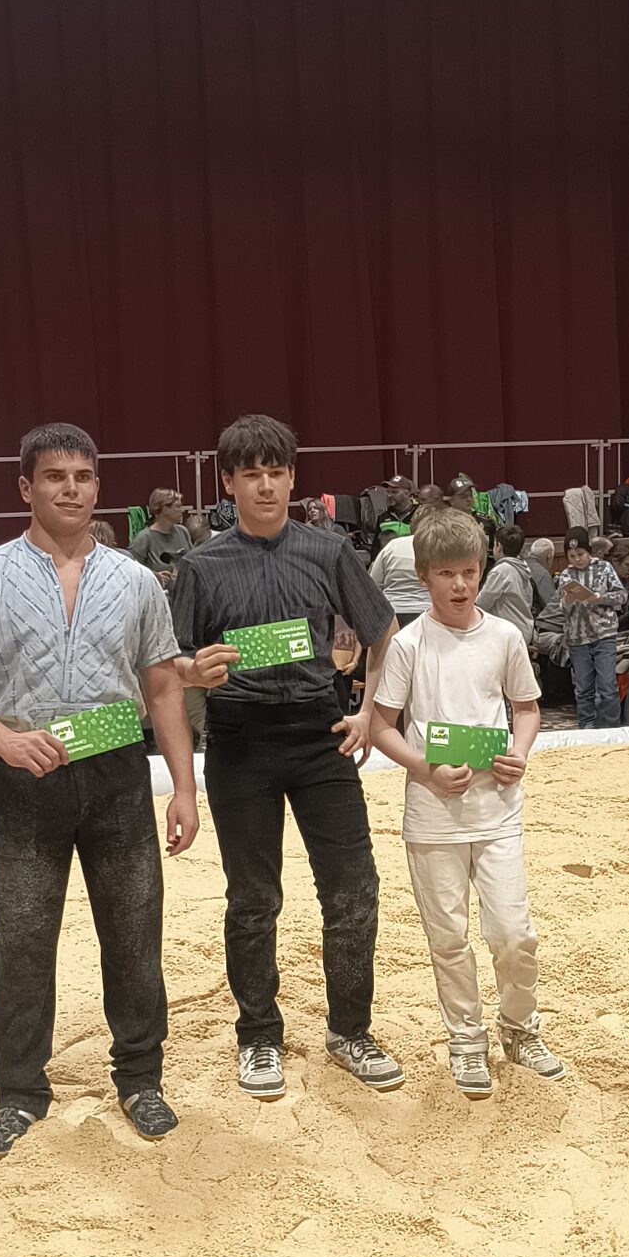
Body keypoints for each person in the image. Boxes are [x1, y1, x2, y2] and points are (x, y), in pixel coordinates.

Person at [0, 423, 198, 1156]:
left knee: (135, 935)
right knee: (21, 939)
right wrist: (3, 740)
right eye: (54, 476)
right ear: (26, 487)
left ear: (97, 487)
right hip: (26, 776)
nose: (70, 489)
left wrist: (184, 786)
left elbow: (163, 686)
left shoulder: (135, 581)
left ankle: (140, 1077)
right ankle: (18, 1090)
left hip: (117, 775)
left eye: (82, 477)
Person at [170, 412, 403, 1101]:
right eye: (252, 474)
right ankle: (258, 1037)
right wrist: (192, 670)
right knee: (252, 898)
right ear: (228, 483)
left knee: (354, 890)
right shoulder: (201, 566)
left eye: (276, 472)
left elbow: (383, 628)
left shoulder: (329, 551)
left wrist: (370, 710)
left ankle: (350, 1030)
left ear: (293, 477)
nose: (266, 486)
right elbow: (168, 659)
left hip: (319, 734)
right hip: (239, 740)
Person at [368, 512, 561, 1097]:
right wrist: (423, 768)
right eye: (447, 574)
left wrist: (519, 752)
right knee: (448, 938)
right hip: (433, 817)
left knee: (513, 932)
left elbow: (525, 709)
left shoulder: (503, 637)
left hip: (497, 808)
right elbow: (381, 725)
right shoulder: (408, 644)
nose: (460, 585)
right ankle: (466, 1039)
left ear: (482, 571)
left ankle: (519, 1028)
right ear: (424, 577)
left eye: (470, 572)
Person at [556, 528, 624, 727]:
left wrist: (600, 598)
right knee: (583, 688)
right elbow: (563, 611)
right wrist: (568, 601)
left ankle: (611, 726)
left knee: (607, 686)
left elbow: (622, 595)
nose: (577, 559)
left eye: (581, 554)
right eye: (572, 556)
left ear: (589, 551)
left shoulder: (604, 568)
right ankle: (587, 726)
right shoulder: (566, 575)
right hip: (577, 638)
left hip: (604, 634)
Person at [476, 524, 537, 643]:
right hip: (524, 630)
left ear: (498, 546)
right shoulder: (523, 568)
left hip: (507, 634)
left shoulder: (501, 571)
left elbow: (482, 604)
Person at [369, 517, 431, 626]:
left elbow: (372, 586)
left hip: (392, 613)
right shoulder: (441, 549)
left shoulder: (392, 546)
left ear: (412, 526)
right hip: (428, 612)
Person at [128, 490, 191, 584]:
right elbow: (131, 570)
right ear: (165, 509)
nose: (182, 510)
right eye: (178, 506)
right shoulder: (144, 538)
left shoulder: (183, 531)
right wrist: (154, 576)